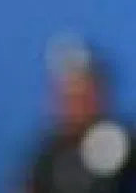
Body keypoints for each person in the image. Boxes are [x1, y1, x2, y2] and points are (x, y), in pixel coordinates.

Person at [25, 41, 136, 193]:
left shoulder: (127, 144)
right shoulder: (47, 153)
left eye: (84, 95)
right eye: (69, 96)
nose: (76, 104)